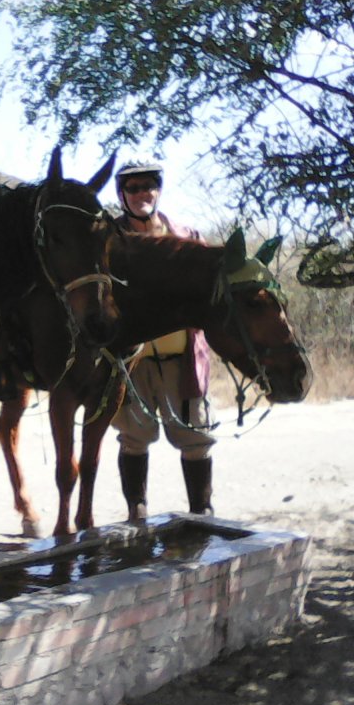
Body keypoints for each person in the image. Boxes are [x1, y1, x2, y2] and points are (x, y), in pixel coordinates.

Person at [110, 161, 217, 516]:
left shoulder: (187, 237)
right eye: (133, 187)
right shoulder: (112, 242)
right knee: (133, 437)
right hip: (133, 362)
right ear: (121, 194)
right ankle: (136, 514)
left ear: (159, 189)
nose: (142, 193)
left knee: (196, 436)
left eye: (149, 185)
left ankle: (203, 514)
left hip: (182, 360)